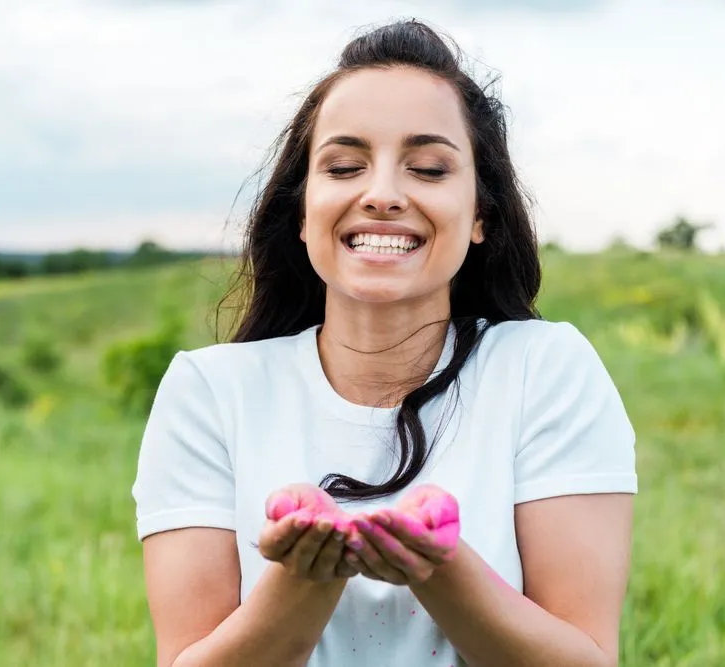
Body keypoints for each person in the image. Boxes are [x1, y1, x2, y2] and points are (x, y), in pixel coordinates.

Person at [131, 18, 637, 667]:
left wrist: (440, 568)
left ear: (480, 214)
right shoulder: (208, 391)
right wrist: (302, 579)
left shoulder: (545, 369)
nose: (382, 195)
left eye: (427, 168)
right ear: (302, 210)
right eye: (344, 166)